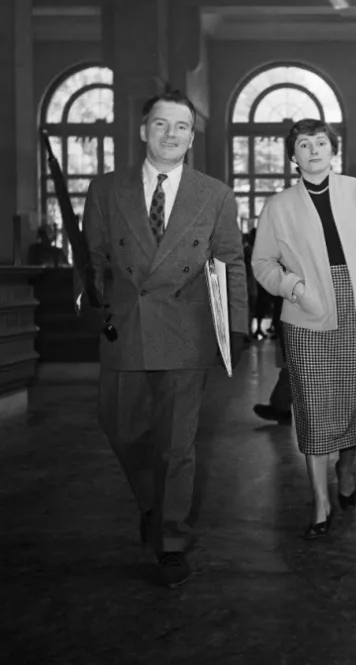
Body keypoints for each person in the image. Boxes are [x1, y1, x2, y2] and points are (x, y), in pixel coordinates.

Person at [81, 89, 248, 588]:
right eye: (160, 124)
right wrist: (93, 306)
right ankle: (155, 505)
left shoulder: (213, 194)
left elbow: (230, 263)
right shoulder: (106, 190)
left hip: (186, 329)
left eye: (180, 127)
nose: (170, 134)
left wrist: (234, 329)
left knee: (177, 444)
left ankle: (172, 539)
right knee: (120, 427)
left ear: (191, 138)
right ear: (142, 130)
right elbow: (92, 258)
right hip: (125, 326)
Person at [251, 118, 356, 540]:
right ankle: (320, 501)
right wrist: (294, 287)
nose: (313, 149)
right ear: (293, 156)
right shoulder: (279, 206)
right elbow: (262, 263)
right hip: (305, 314)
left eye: (321, 142)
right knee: (314, 408)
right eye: (303, 144)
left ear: (332, 150)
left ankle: (347, 466)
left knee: (353, 402)